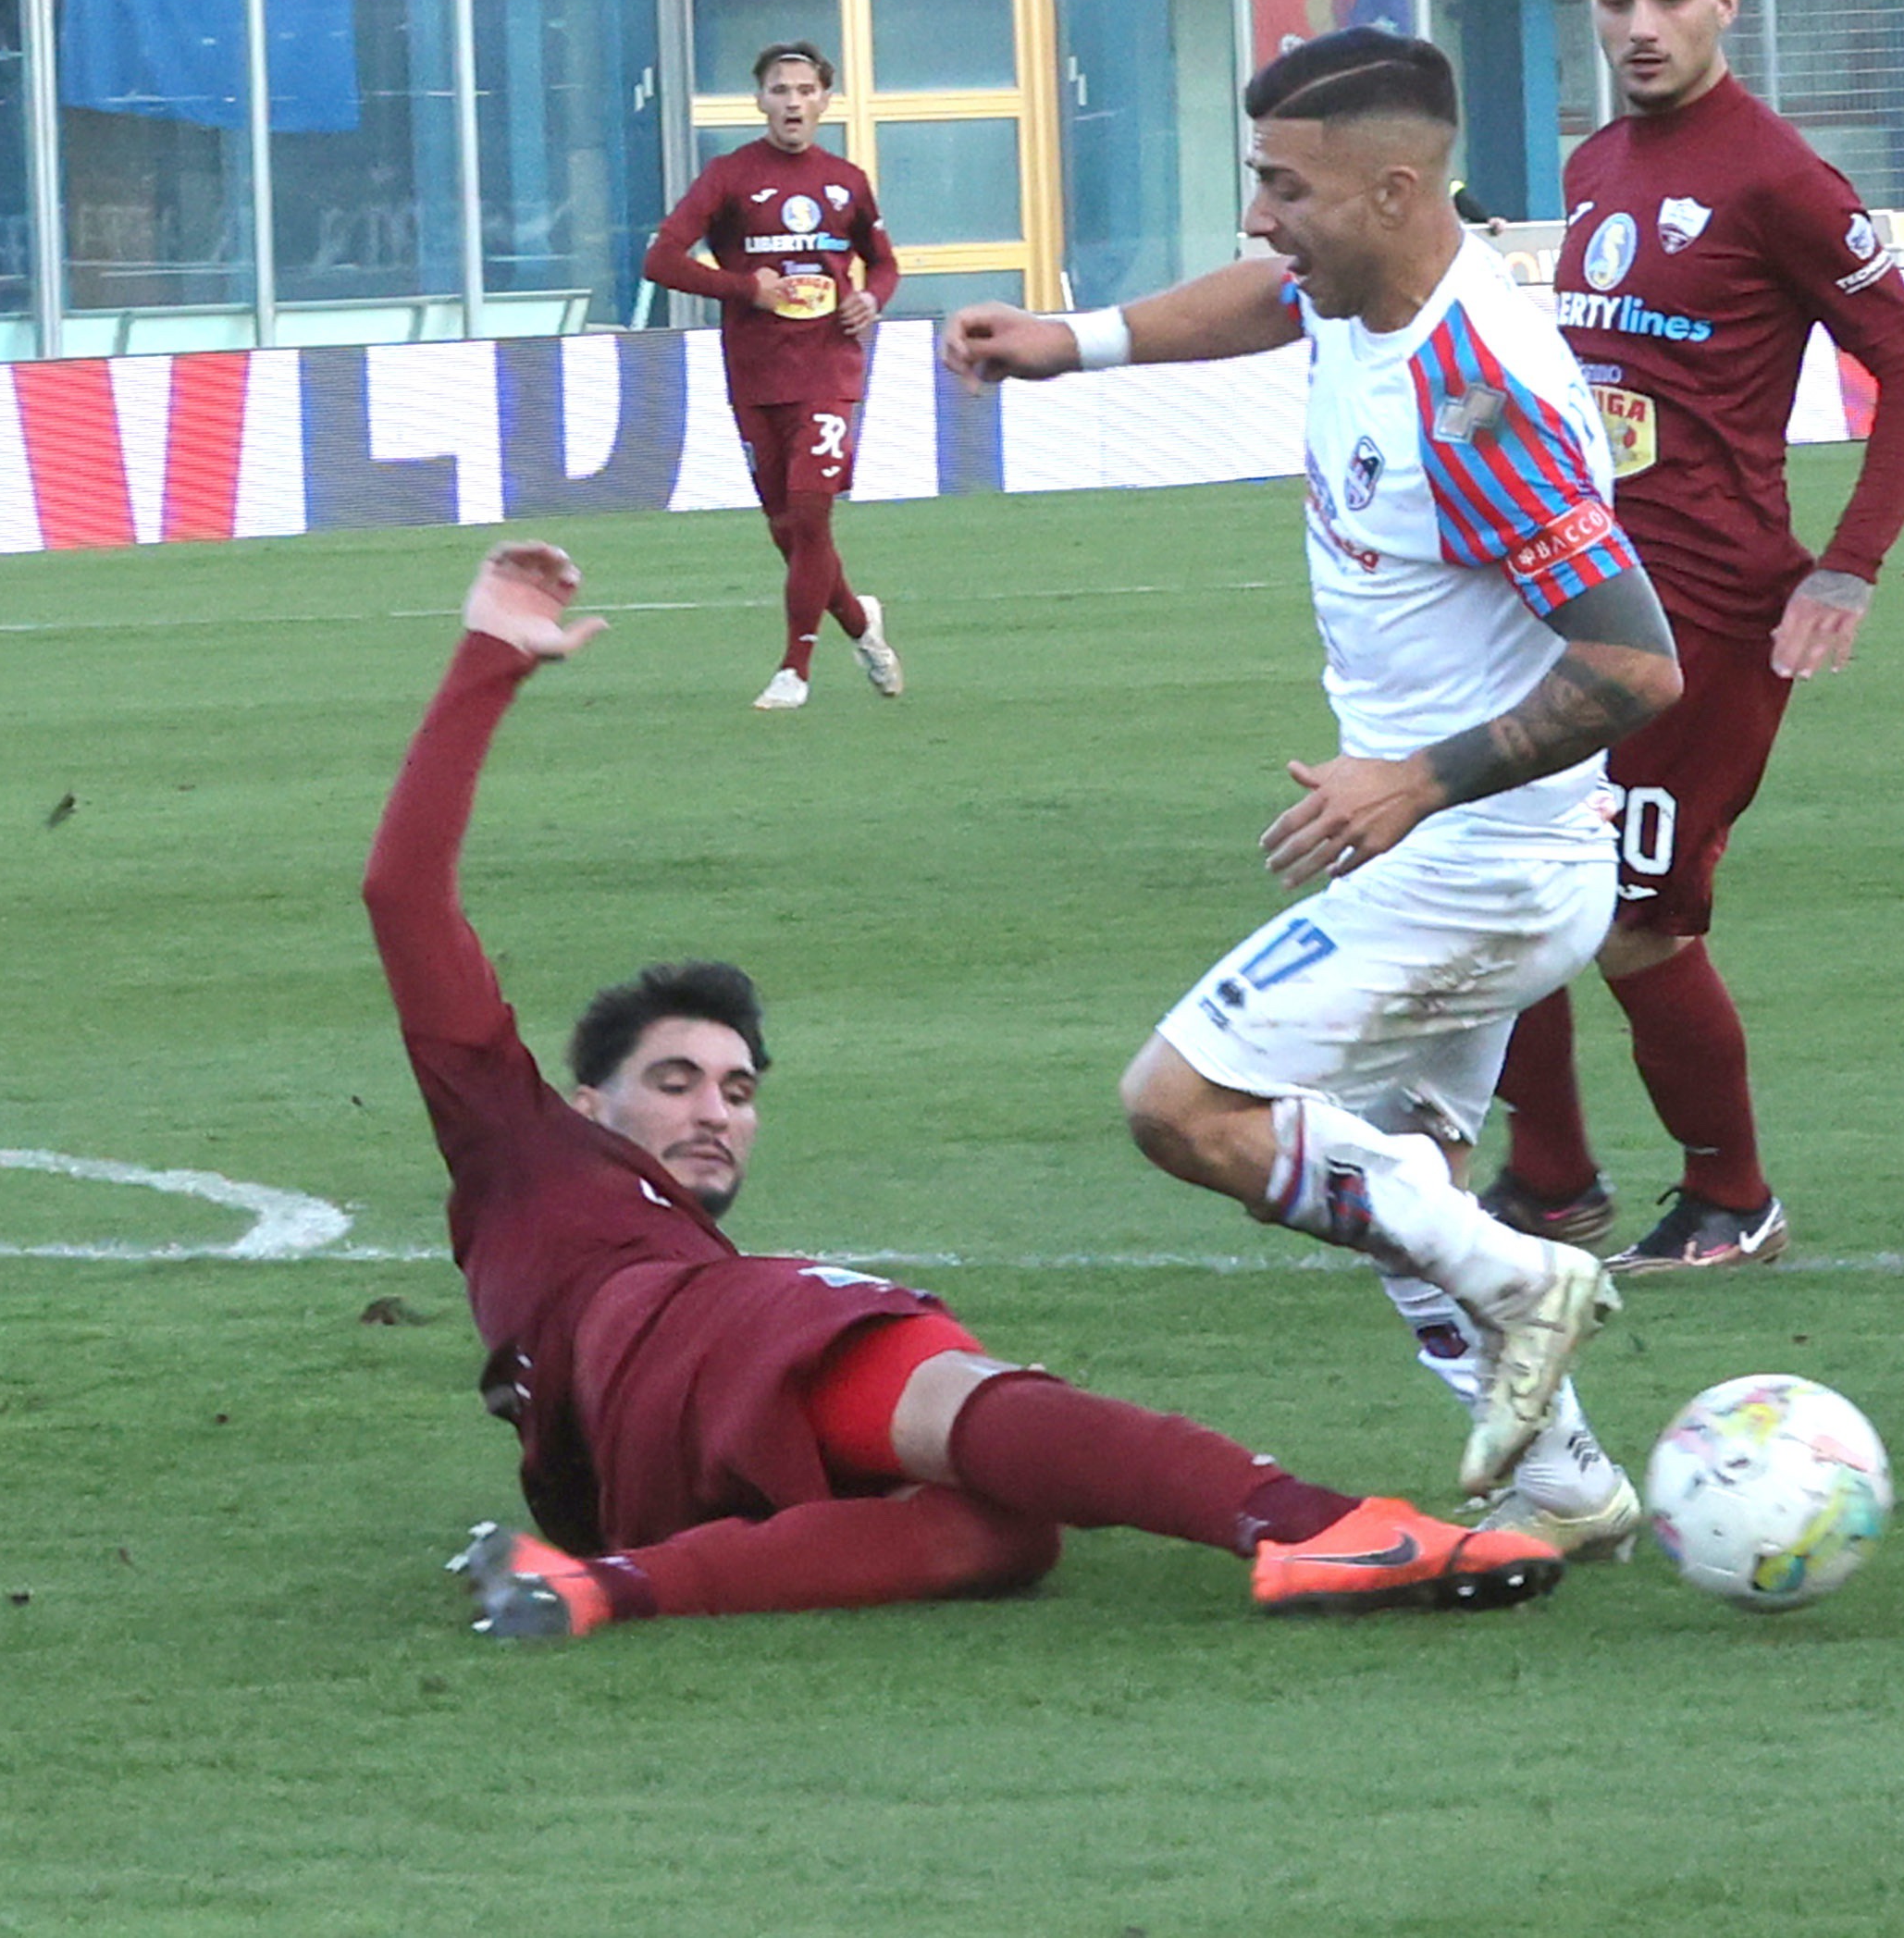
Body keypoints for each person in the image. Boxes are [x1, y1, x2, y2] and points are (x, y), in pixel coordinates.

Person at [367, 541, 1565, 1636]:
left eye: (736, 1090)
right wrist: (488, 658)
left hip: (630, 1478)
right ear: (585, 1103)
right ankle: (1313, 1523)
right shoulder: (524, 1146)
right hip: (677, 1340)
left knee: (1000, 1531)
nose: (714, 1111)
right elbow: (403, 896)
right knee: (947, 1387)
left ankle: (596, 1586)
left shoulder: (644, 1257)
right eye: (673, 1081)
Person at [940, 28, 1683, 1557]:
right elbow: (1262, 296)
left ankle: (1529, 1276)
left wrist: (1413, 778)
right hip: (1445, 845)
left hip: (1479, 862)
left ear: (1394, 190)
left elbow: (1636, 666)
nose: (1258, 217)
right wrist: (1072, 343)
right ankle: (1566, 1483)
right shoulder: (1356, 286)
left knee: (1181, 1104)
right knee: (1393, 1186)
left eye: (1283, 188)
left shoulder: (1475, 399)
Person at [1481, 0, 1904, 1290]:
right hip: (1577, 593)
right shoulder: (1594, 164)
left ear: (1725, 2)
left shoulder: (1778, 177)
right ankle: (1551, 1179)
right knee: (1505, 885)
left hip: (1705, 616)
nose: (1640, 24)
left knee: (1638, 923)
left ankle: (1730, 1196)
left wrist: (1848, 564)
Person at [645, 41, 907, 711]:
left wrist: (871, 299)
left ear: (825, 100)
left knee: (812, 511)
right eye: (780, 90)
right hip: (756, 374)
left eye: (805, 90)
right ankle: (861, 624)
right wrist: (744, 288)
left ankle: (796, 668)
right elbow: (661, 259)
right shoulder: (730, 177)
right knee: (788, 527)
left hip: (828, 368)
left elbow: (883, 263)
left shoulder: (846, 181)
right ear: (759, 99)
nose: (793, 102)